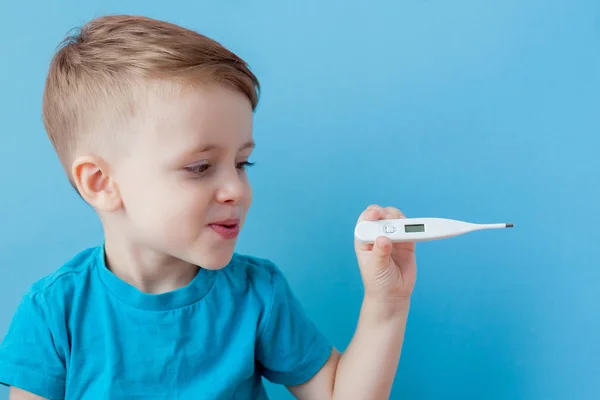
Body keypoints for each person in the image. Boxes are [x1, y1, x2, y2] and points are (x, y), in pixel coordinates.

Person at [0, 14, 417, 400]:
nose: (236, 189)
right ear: (102, 184)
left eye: (242, 163)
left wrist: (388, 304)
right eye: (200, 167)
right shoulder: (53, 315)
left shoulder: (258, 294)